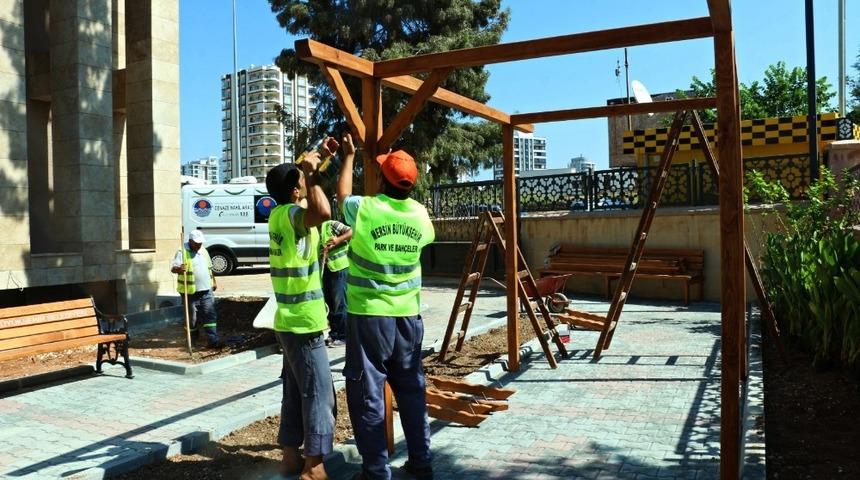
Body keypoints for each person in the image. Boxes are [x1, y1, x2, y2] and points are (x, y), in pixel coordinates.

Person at [336, 134, 435, 480]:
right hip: (408, 316)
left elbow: (343, 197)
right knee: (411, 389)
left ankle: (376, 471)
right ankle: (421, 463)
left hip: (370, 317)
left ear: (382, 179)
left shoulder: (365, 209)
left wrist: (347, 157)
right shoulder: (421, 215)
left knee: (368, 392)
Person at [265, 145, 337, 480]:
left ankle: (291, 458)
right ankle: (314, 465)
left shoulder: (278, 215)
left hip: (287, 322)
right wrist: (311, 173)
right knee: (320, 394)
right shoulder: (294, 216)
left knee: (295, 392)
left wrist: (317, 160)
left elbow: (315, 203)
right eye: (301, 184)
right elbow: (322, 211)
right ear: (296, 190)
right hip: (305, 323)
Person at [170, 229, 220, 348]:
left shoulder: (203, 250)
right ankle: (192, 342)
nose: (199, 245)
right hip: (190, 292)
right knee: (192, 319)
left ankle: (213, 341)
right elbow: (173, 268)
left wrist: (214, 281)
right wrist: (179, 269)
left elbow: (209, 268)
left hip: (207, 290)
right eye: (196, 243)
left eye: (200, 243)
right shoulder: (182, 252)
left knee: (210, 314)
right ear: (190, 241)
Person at [319, 218, 352, 347]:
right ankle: (334, 334)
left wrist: (337, 240)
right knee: (330, 303)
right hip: (327, 269)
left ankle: (343, 335)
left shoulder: (330, 224)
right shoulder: (312, 229)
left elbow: (351, 231)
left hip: (340, 267)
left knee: (340, 303)